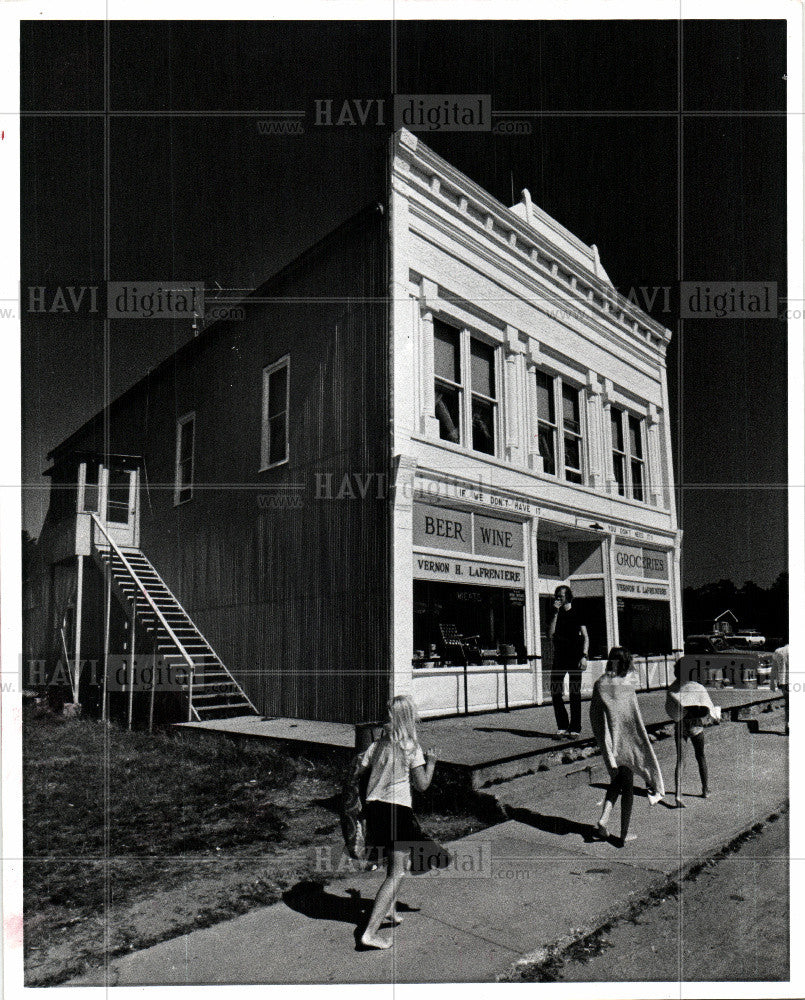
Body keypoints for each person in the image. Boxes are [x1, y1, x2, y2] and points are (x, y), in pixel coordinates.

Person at [355, 695, 437, 949]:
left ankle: (388, 910)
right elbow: (422, 785)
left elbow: (360, 772)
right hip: (397, 812)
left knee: (398, 863)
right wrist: (432, 762)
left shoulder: (376, 746)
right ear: (409, 718)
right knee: (397, 873)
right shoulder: (411, 747)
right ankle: (369, 933)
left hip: (376, 809)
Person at [590, 647, 665, 846]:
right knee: (628, 789)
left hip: (613, 742)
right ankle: (623, 834)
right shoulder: (630, 681)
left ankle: (603, 820)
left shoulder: (600, 684)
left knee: (616, 782)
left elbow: (595, 716)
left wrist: (603, 742)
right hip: (629, 742)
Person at [666, 659, 721, 807]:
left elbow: (670, 708)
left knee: (680, 760)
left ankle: (678, 793)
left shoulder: (673, 687)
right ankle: (705, 789)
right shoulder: (698, 687)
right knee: (700, 756)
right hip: (696, 725)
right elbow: (707, 707)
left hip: (680, 725)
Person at [548, 585, 589, 737]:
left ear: (568, 597)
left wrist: (584, 655)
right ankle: (562, 725)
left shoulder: (577, 612)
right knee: (556, 691)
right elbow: (550, 634)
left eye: (561, 596)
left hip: (575, 655)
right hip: (560, 656)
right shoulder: (555, 614)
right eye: (557, 596)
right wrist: (555, 613)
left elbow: (585, 636)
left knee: (574, 692)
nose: (559, 599)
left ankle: (575, 728)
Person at [771, 644, 789, 736]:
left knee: (788, 703)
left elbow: (774, 668)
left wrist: (772, 682)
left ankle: (788, 724)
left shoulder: (778, 651)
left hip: (784, 682)